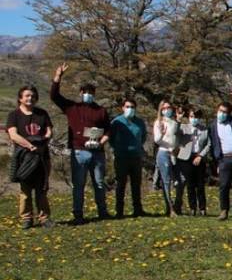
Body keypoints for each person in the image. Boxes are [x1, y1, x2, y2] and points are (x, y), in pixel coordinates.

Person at [50, 63, 111, 224]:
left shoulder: (101, 111)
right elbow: (54, 96)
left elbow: (108, 130)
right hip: (79, 152)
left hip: (97, 152)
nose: (88, 95)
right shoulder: (72, 107)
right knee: (79, 185)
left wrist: (102, 142)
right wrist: (58, 77)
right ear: (80, 93)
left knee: (99, 183)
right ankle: (78, 214)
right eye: (85, 92)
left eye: (91, 92)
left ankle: (102, 212)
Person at [6, 85, 53, 229]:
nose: (30, 98)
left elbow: (49, 132)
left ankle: (44, 218)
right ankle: (27, 218)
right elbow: (13, 135)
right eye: (27, 95)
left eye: (32, 96)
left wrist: (41, 143)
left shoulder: (42, 114)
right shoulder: (14, 115)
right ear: (20, 98)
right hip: (24, 158)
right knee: (25, 190)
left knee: (42, 189)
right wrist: (29, 145)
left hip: (41, 156)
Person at [209, 84, 232, 221]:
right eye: (220, 111)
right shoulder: (212, 126)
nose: (222, 114)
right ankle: (224, 210)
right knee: (223, 185)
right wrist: (217, 161)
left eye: (225, 112)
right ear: (217, 110)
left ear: (229, 114)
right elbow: (213, 144)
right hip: (224, 159)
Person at [109, 98, 147, 218]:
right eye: (127, 106)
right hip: (121, 157)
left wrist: (137, 148)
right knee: (121, 184)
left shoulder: (140, 122)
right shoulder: (117, 122)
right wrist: (118, 149)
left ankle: (138, 209)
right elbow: (111, 138)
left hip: (136, 157)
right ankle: (119, 211)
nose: (130, 109)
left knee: (136, 184)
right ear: (123, 108)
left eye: (132, 107)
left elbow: (143, 137)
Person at [175, 107, 210, 216]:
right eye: (191, 117)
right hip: (186, 158)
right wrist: (178, 120)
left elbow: (209, 144)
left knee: (200, 184)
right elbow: (175, 133)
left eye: (196, 117)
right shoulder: (184, 127)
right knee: (190, 184)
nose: (194, 119)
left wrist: (201, 155)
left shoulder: (205, 130)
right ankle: (192, 208)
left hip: (199, 157)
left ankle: (202, 208)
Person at [153, 100, 180, 217]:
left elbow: (176, 138)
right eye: (164, 108)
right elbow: (157, 140)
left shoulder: (174, 122)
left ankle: (177, 205)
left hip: (173, 154)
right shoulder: (158, 122)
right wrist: (162, 133)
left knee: (178, 180)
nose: (167, 110)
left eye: (168, 108)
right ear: (161, 110)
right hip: (163, 153)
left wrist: (176, 148)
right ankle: (170, 208)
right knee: (166, 181)